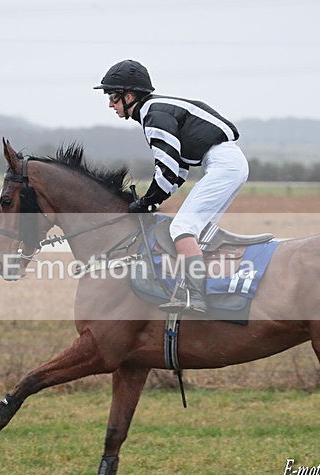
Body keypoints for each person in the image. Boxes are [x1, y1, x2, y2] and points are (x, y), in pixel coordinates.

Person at [94, 59, 249, 314]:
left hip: (224, 164)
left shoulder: (154, 115)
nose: (110, 103)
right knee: (196, 231)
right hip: (226, 163)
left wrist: (146, 201)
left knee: (182, 227)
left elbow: (166, 166)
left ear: (129, 96)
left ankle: (196, 298)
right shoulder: (155, 111)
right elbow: (178, 171)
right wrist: (152, 200)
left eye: (113, 96)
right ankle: (212, 288)